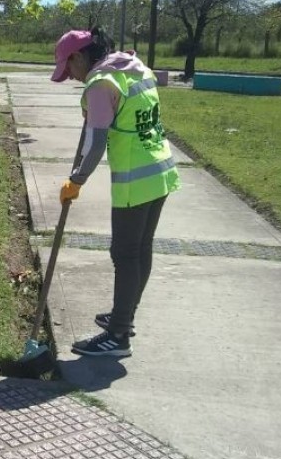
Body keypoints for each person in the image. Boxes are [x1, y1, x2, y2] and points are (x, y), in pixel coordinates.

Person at [50, 27, 180, 357]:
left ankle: (118, 335)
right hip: (160, 168)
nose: (73, 77)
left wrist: (76, 181)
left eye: (69, 69)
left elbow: (94, 145)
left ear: (79, 56)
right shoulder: (134, 68)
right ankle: (125, 313)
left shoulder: (100, 83)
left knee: (124, 253)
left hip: (136, 179)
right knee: (139, 249)